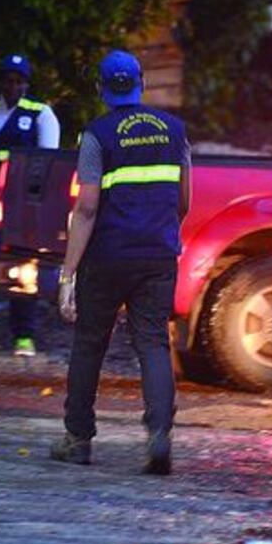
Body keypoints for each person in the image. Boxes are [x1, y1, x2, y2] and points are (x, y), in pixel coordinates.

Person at [52, 50, 191, 475]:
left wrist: (68, 272)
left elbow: (88, 208)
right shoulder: (174, 130)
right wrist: (162, 231)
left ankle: (77, 439)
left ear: (100, 89)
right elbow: (183, 199)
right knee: (152, 342)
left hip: (108, 258)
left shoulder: (97, 135)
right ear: (141, 83)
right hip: (158, 255)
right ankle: (159, 434)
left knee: (90, 343)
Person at [0, 54, 61, 357]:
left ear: (26, 83)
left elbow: (47, 161)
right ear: (0, 81)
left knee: (23, 268)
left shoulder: (40, 114)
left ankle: (24, 336)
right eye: (7, 79)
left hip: (21, 204)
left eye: (18, 80)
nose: (13, 86)